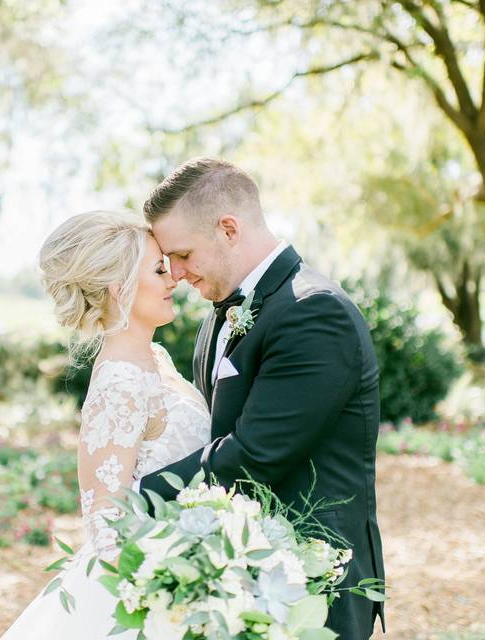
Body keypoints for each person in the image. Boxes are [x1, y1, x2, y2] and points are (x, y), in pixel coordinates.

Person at [136, 157, 385, 640]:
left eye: (183, 254)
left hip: (314, 579)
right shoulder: (220, 313)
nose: (177, 273)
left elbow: (254, 454)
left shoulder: (314, 312)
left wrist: (135, 496)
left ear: (228, 228)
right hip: (237, 574)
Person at [0, 211, 212, 639]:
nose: (172, 277)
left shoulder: (154, 360)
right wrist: (171, 593)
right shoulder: (120, 381)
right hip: (151, 592)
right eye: (157, 268)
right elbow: (106, 524)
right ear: (120, 290)